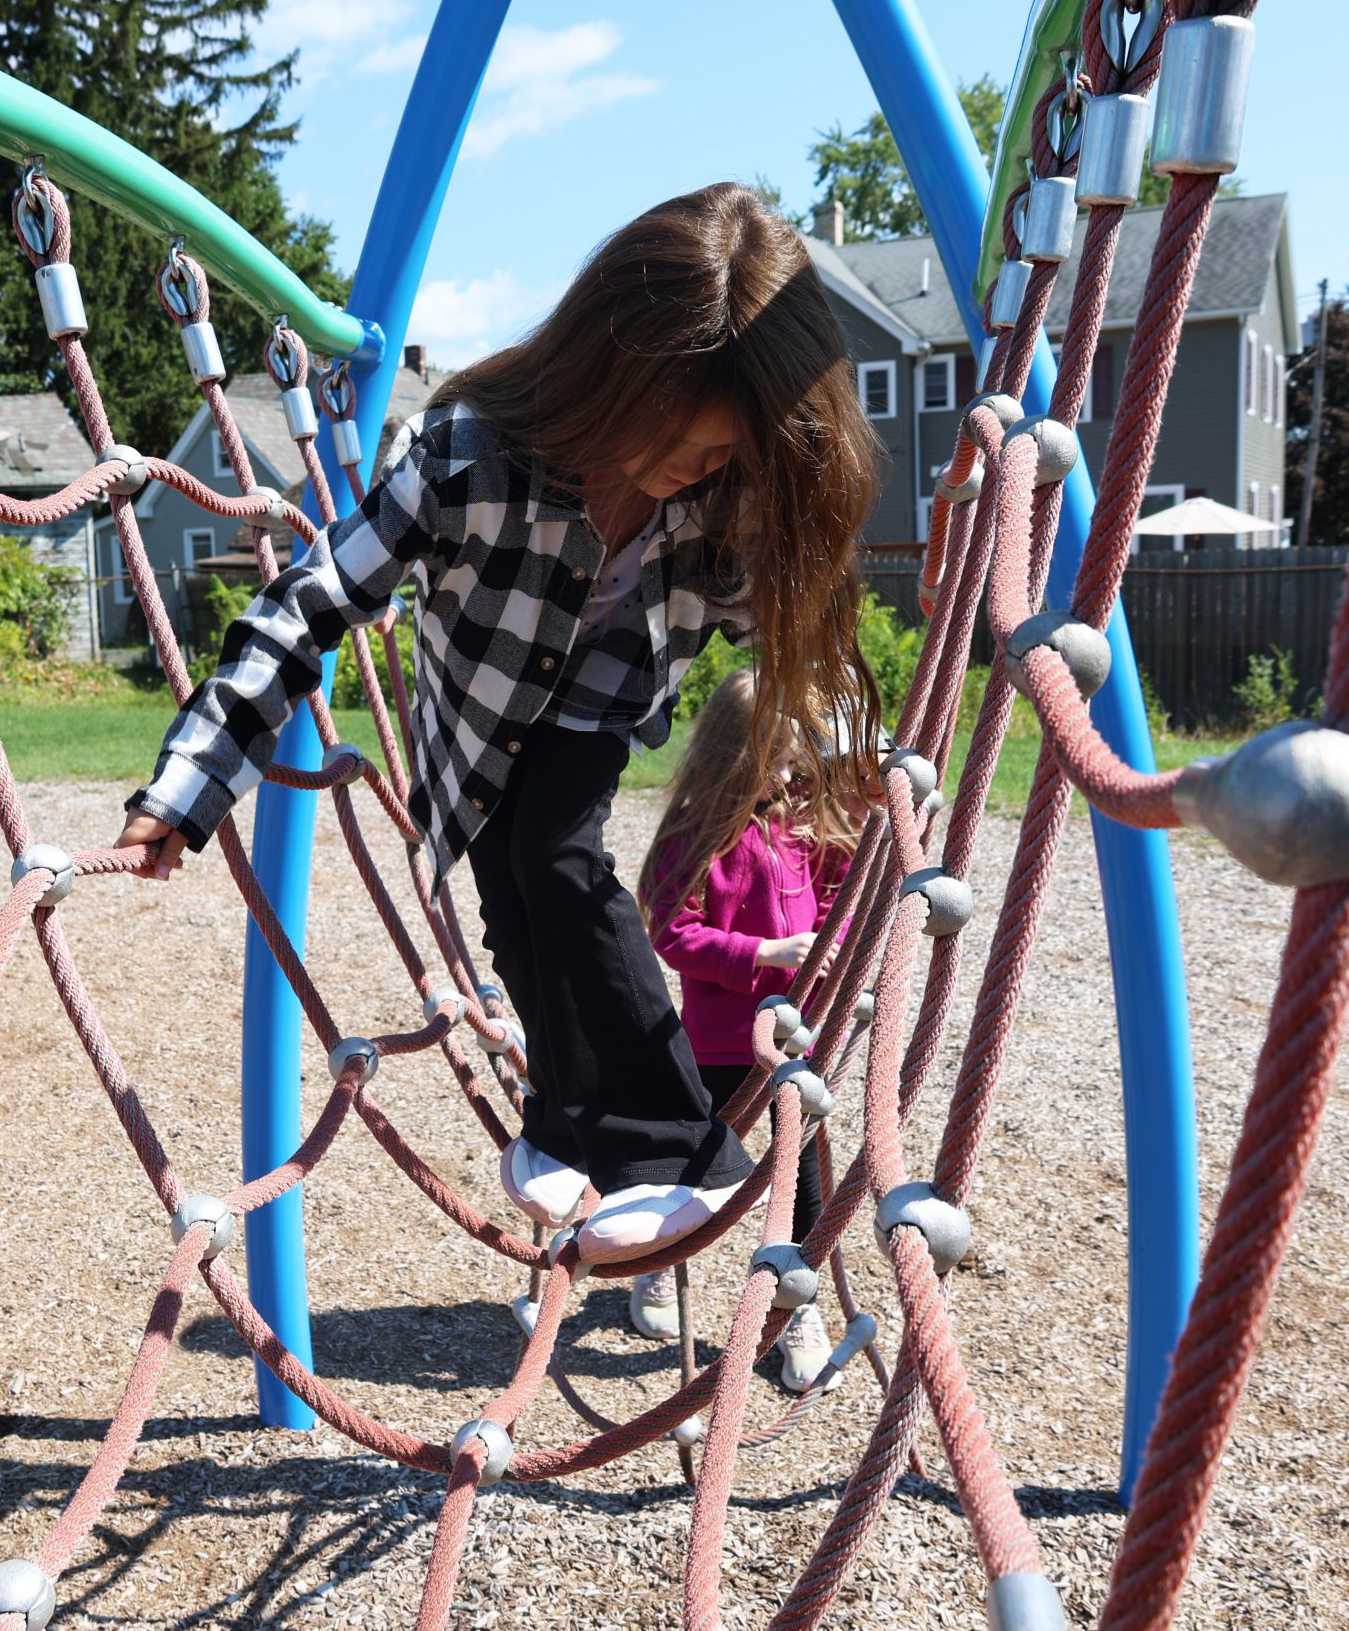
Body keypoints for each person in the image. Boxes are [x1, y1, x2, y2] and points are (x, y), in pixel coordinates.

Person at [114, 181, 885, 1261]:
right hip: (470, 720)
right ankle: (565, 1124)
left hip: (596, 705)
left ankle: (679, 1151)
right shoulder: (462, 460)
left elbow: (802, 630)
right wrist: (188, 790)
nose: (685, 471)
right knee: (513, 910)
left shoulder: (727, 501)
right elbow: (309, 609)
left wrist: (877, 765)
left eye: (713, 456)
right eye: (669, 438)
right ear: (602, 372)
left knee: (557, 859)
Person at [639, 668, 860, 1390]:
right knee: (694, 1172)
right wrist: (762, 954)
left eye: (795, 758)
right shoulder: (698, 831)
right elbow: (673, 930)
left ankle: (797, 1307)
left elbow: (843, 893)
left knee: (803, 1183)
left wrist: (830, 943)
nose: (790, 772)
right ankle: (654, 1265)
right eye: (777, 757)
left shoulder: (803, 820)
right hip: (722, 1042)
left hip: (799, 1038)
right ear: (737, 753)